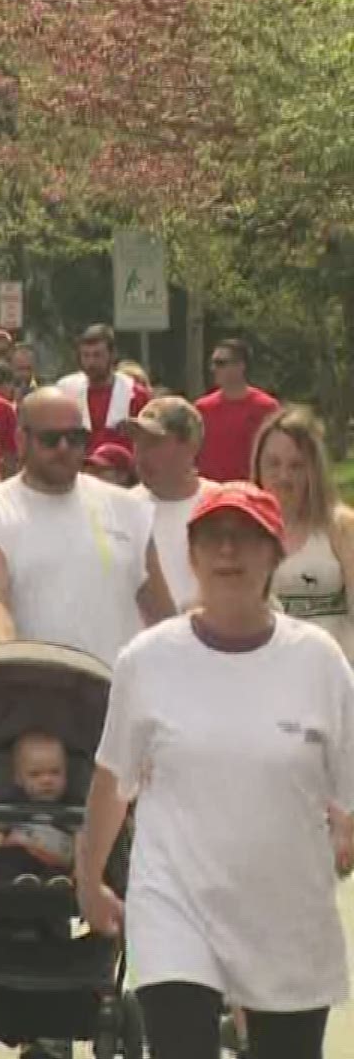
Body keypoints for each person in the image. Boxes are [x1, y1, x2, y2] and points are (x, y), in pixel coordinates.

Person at [78, 483, 354, 1059]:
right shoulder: (149, 660)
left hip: (285, 906)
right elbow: (112, 780)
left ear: (275, 556)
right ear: (193, 556)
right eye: (213, 540)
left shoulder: (318, 661)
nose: (228, 553)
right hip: (176, 901)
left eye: (246, 539)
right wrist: (90, 875)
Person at [0, 387, 175, 668]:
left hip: (124, 697)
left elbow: (161, 612)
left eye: (75, 439)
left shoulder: (128, 510)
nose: (64, 448)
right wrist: (12, 673)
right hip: (42, 698)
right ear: (21, 440)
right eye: (51, 439)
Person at [251, 407, 354, 662]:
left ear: (314, 472)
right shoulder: (244, 530)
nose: (283, 476)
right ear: (258, 465)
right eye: (273, 464)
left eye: (296, 466)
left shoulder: (340, 525)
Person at [125, 397, 217, 612]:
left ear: (190, 446)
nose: (140, 454)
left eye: (153, 443)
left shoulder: (220, 505)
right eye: (137, 442)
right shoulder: (122, 510)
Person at [0, 731, 74, 887]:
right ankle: (20, 880)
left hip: (58, 859)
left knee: (79, 846)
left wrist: (84, 874)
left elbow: (83, 838)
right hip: (21, 855)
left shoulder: (72, 803)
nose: (47, 780)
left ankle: (60, 882)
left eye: (55, 772)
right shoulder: (9, 803)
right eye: (35, 774)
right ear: (19, 778)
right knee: (4, 854)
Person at [55, 324, 149, 454]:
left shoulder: (134, 394)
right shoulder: (65, 392)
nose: (91, 363)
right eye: (86, 355)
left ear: (112, 355)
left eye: (97, 355)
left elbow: (148, 441)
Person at [194, 338, 279, 483]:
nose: (213, 369)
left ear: (241, 366)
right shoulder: (202, 408)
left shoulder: (266, 408)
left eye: (221, 363)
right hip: (212, 493)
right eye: (213, 363)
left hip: (250, 491)